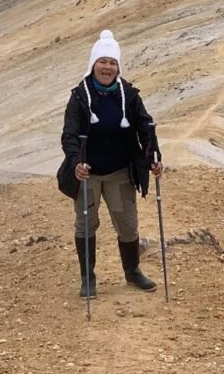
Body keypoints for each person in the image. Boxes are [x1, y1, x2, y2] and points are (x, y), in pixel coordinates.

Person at [57, 29, 163, 297]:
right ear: (93, 64)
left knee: (127, 224)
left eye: (112, 62)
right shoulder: (80, 96)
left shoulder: (129, 94)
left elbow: (145, 126)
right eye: (103, 61)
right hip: (87, 173)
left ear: (118, 66)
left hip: (119, 172)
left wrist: (153, 157)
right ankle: (88, 279)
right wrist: (75, 163)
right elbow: (69, 135)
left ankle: (132, 272)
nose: (107, 67)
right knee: (86, 224)